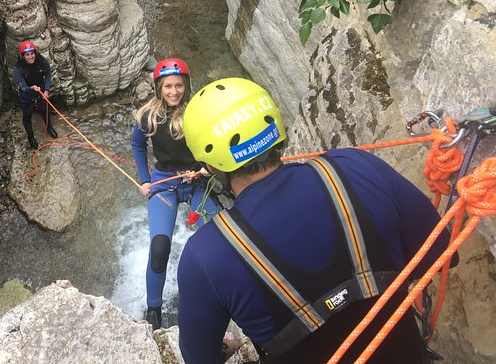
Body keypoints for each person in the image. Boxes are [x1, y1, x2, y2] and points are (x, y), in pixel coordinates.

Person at [177, 77, 458, 364]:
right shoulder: (355, 166)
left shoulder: (206, 255)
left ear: (210, 166)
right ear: (276, 131)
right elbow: (441, 252)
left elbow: (200, 358)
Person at [131, 58, 221, 331]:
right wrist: (145, 180)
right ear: (159, 87)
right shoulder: (148, 115)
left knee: (220, 240)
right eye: (168, 86)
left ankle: (219, 297)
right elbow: (137, 144)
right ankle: (154, 309)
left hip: (196, 181)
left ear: (187, 85)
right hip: (164, 183)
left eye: (179, 85)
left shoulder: (198, 111)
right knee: (159, 247)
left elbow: (216, 141)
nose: (173, 91)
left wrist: (207, 167)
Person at [13, 41, 58, 148]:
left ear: (35, 53)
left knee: (44, 109)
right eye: (27, 55)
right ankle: (30, 137)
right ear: (22, 56)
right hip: (26, 95)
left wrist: (46, 90)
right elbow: (22, 85)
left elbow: (47, 75)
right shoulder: (18, 68)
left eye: (32, 53)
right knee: (27, 115)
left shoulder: (41, 61)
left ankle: (49, 127)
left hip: (41, 91)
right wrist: (31, 88)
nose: (30, 57)